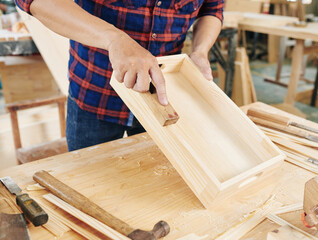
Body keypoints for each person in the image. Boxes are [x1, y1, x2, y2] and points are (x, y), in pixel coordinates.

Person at [15, 0, 223, 151]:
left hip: (160, 99)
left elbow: (213, 7)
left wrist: (200, 51)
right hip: (95, 93)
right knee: (90, 185)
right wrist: (113, 39)